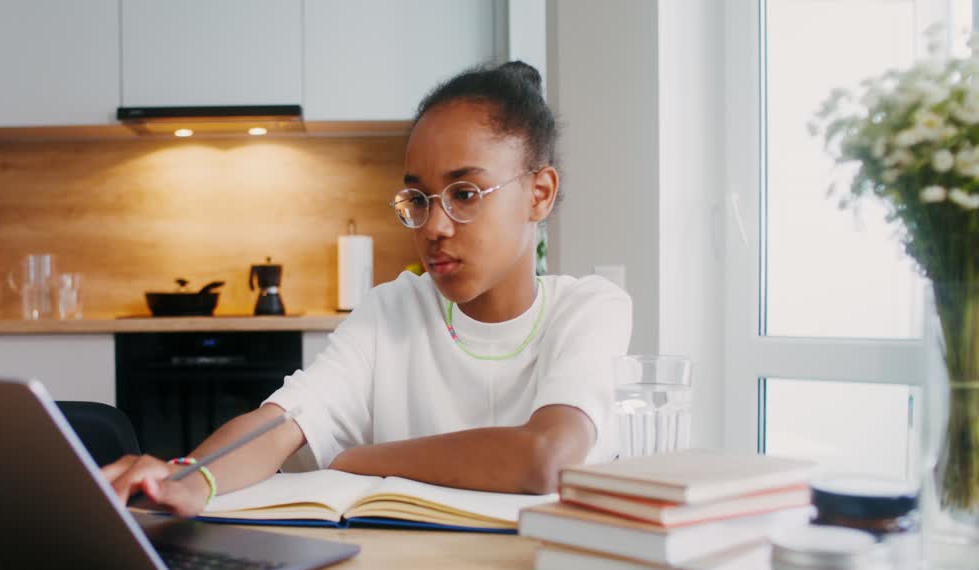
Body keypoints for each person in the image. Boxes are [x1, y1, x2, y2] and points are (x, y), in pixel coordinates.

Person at [103, 61, 632, 517]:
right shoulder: (392, 310)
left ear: (539, 194)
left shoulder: (589, 309)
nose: (434, 227)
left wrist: (365, 458)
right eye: (419, 199)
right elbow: (281, 423)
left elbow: (545, 459)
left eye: (465, 193)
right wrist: (189, 478)